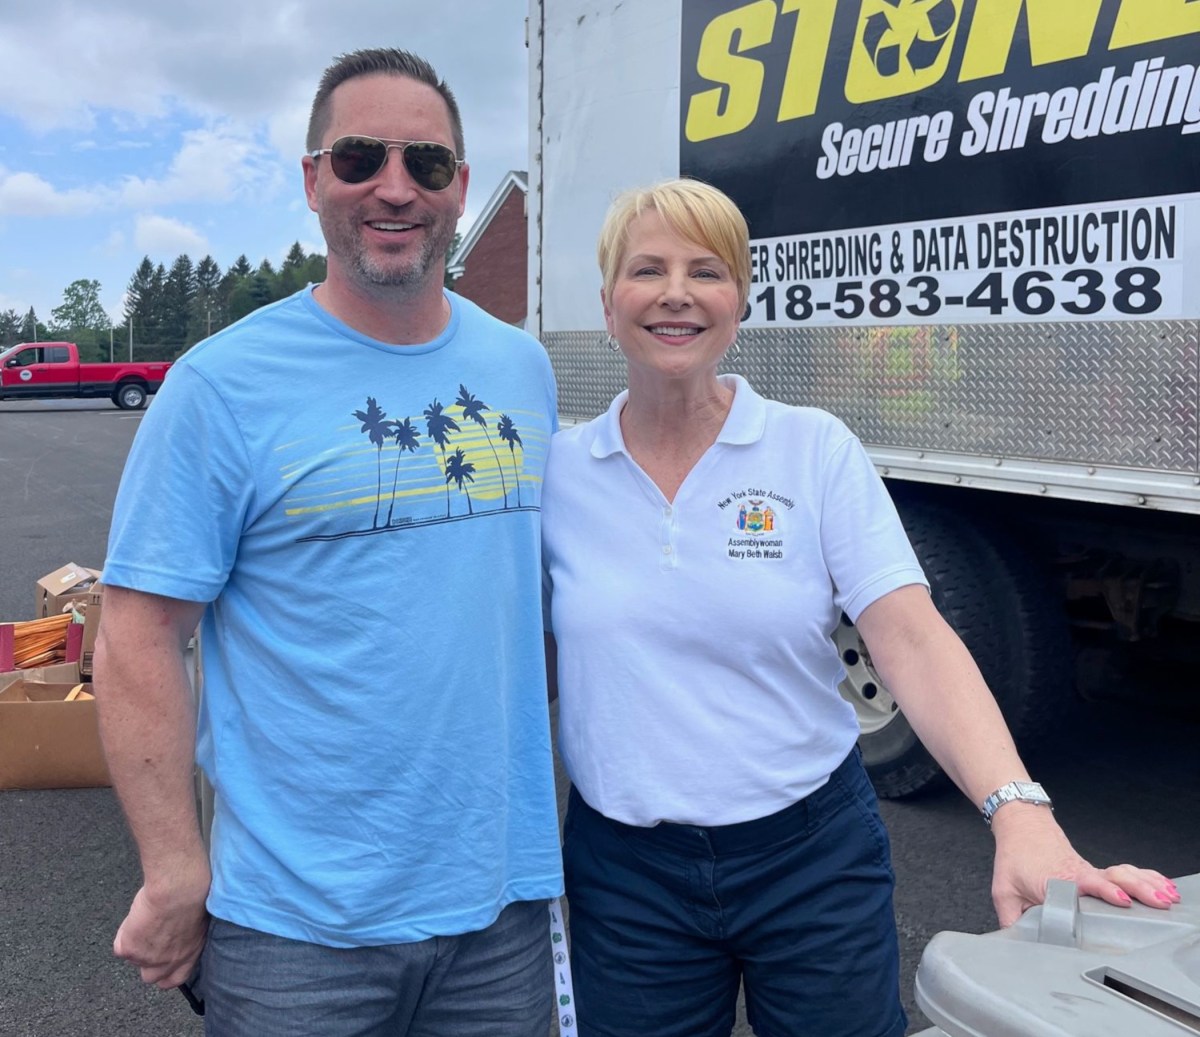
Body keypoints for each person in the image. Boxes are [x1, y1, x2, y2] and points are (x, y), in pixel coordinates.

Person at [539, 178, 1181, 1037]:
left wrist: (1018, 809)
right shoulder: (559, 473)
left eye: (708, 270)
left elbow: (911, 635)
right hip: (628, 873)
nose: (677, 292)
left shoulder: (813, 449)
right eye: (646, 269)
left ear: (740, 300)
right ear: (609, 301)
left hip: (807, 856)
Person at [94, 48, 562, 1036]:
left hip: (502, 906)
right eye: (359, 159)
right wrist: (175, 865)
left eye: (426, 165)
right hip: (295, 930)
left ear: (459, 188)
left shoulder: (522, 371)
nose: (394, 188)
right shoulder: (220, 386)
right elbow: (137, 631)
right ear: (313, 180)